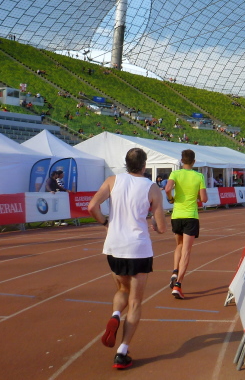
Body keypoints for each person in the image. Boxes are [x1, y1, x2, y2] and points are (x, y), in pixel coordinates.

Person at [88, 147, 166, 369]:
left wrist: (106, 223)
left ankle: (115, 314)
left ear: (126, 163)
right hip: (138, 248)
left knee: (122, 289)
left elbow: (92, 206)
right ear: (144, 165)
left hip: (114, 246)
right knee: (135, 302)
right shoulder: (152, 188)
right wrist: (153, 222)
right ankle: (122, 352)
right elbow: (162, 228)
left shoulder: (113, 180)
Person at [165, 149, 208, 299]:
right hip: (190, 216)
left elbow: (167, 188)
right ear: (194, 161)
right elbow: (204, 199)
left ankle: (174, 271)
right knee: (186, 251)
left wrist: (171, 199)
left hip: (177, 215)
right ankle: (178, 285)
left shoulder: (175, 173)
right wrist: (197, 195)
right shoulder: (199, 176)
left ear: (181, 161)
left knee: (179, 245)